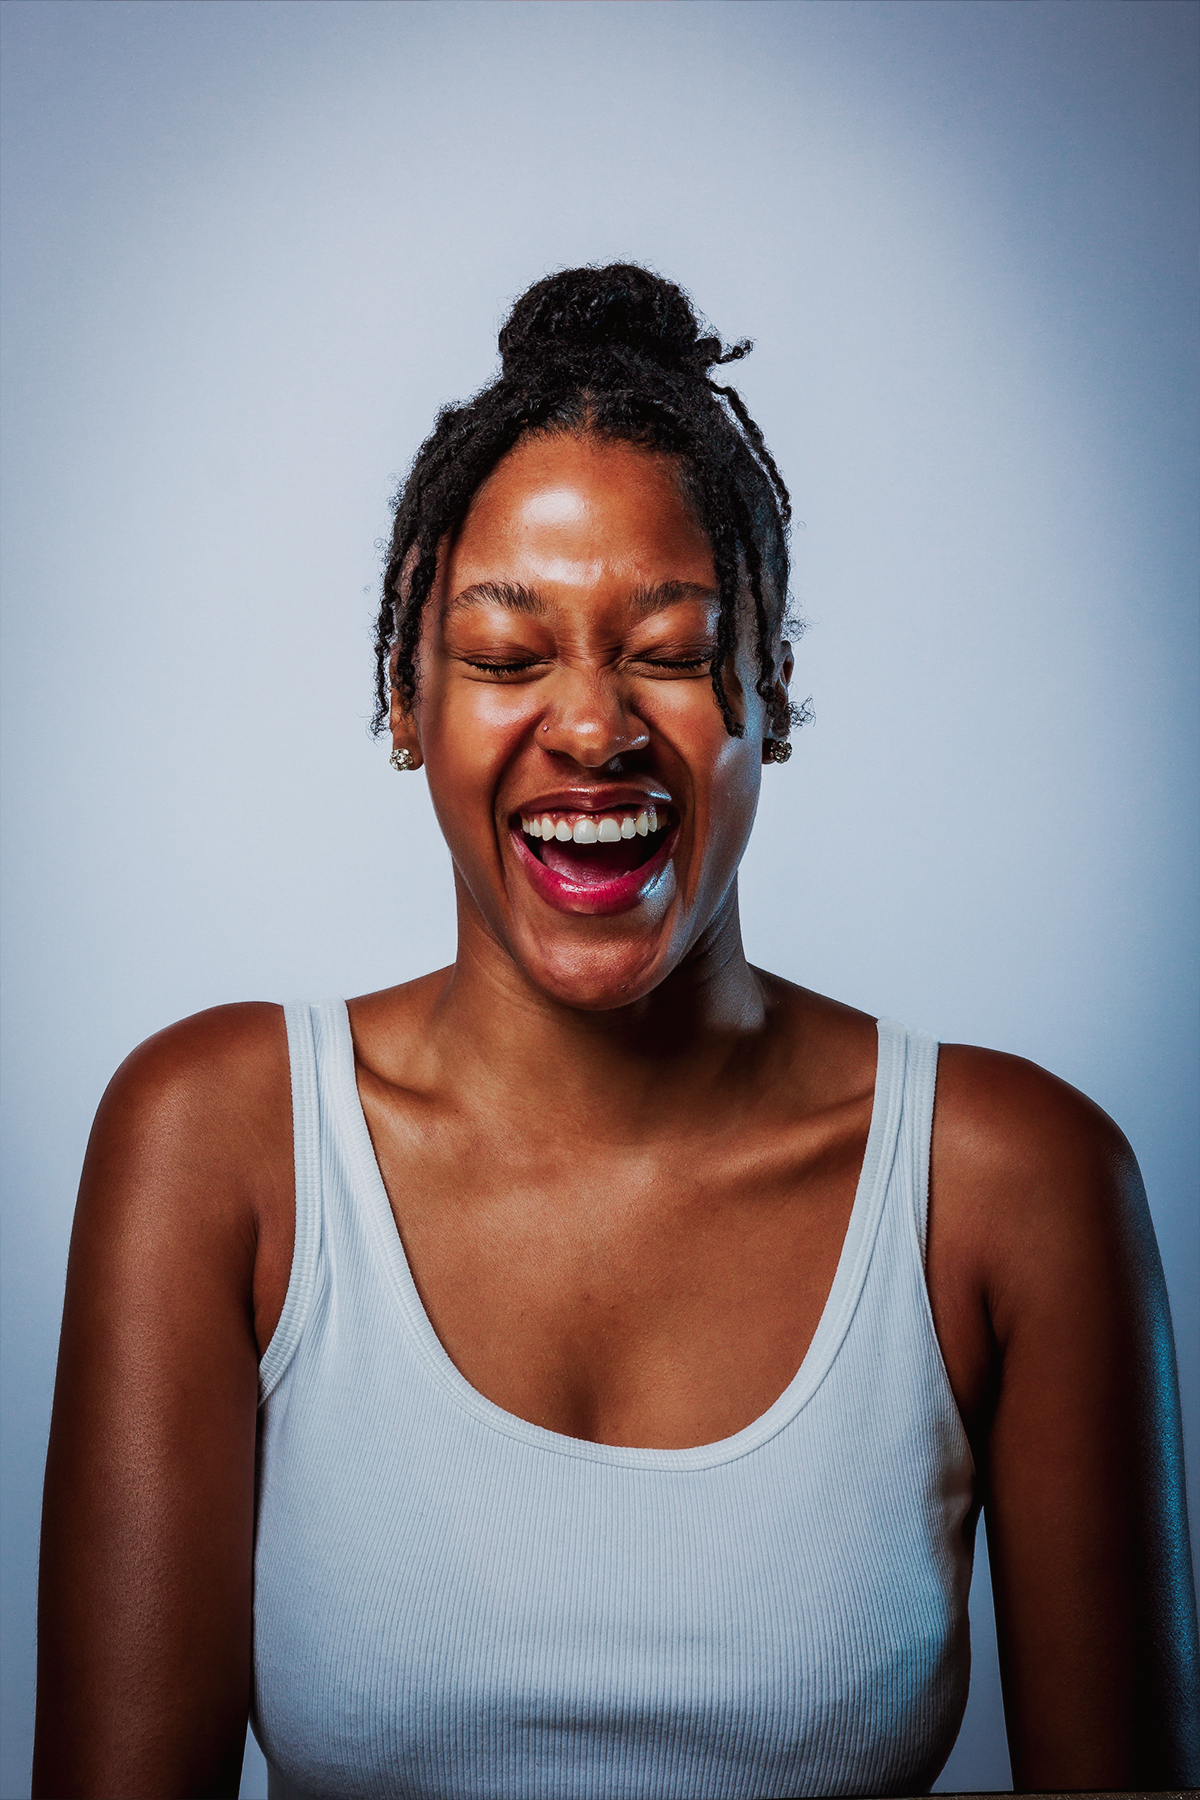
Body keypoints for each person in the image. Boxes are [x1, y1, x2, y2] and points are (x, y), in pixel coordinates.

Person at [34, 264, 1198, 1800]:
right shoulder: (217, 1145)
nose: (592, 727)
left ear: (770, 686)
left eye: (668, 648)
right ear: (406, 699)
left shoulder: (1013, 1184)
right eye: (508, 658)